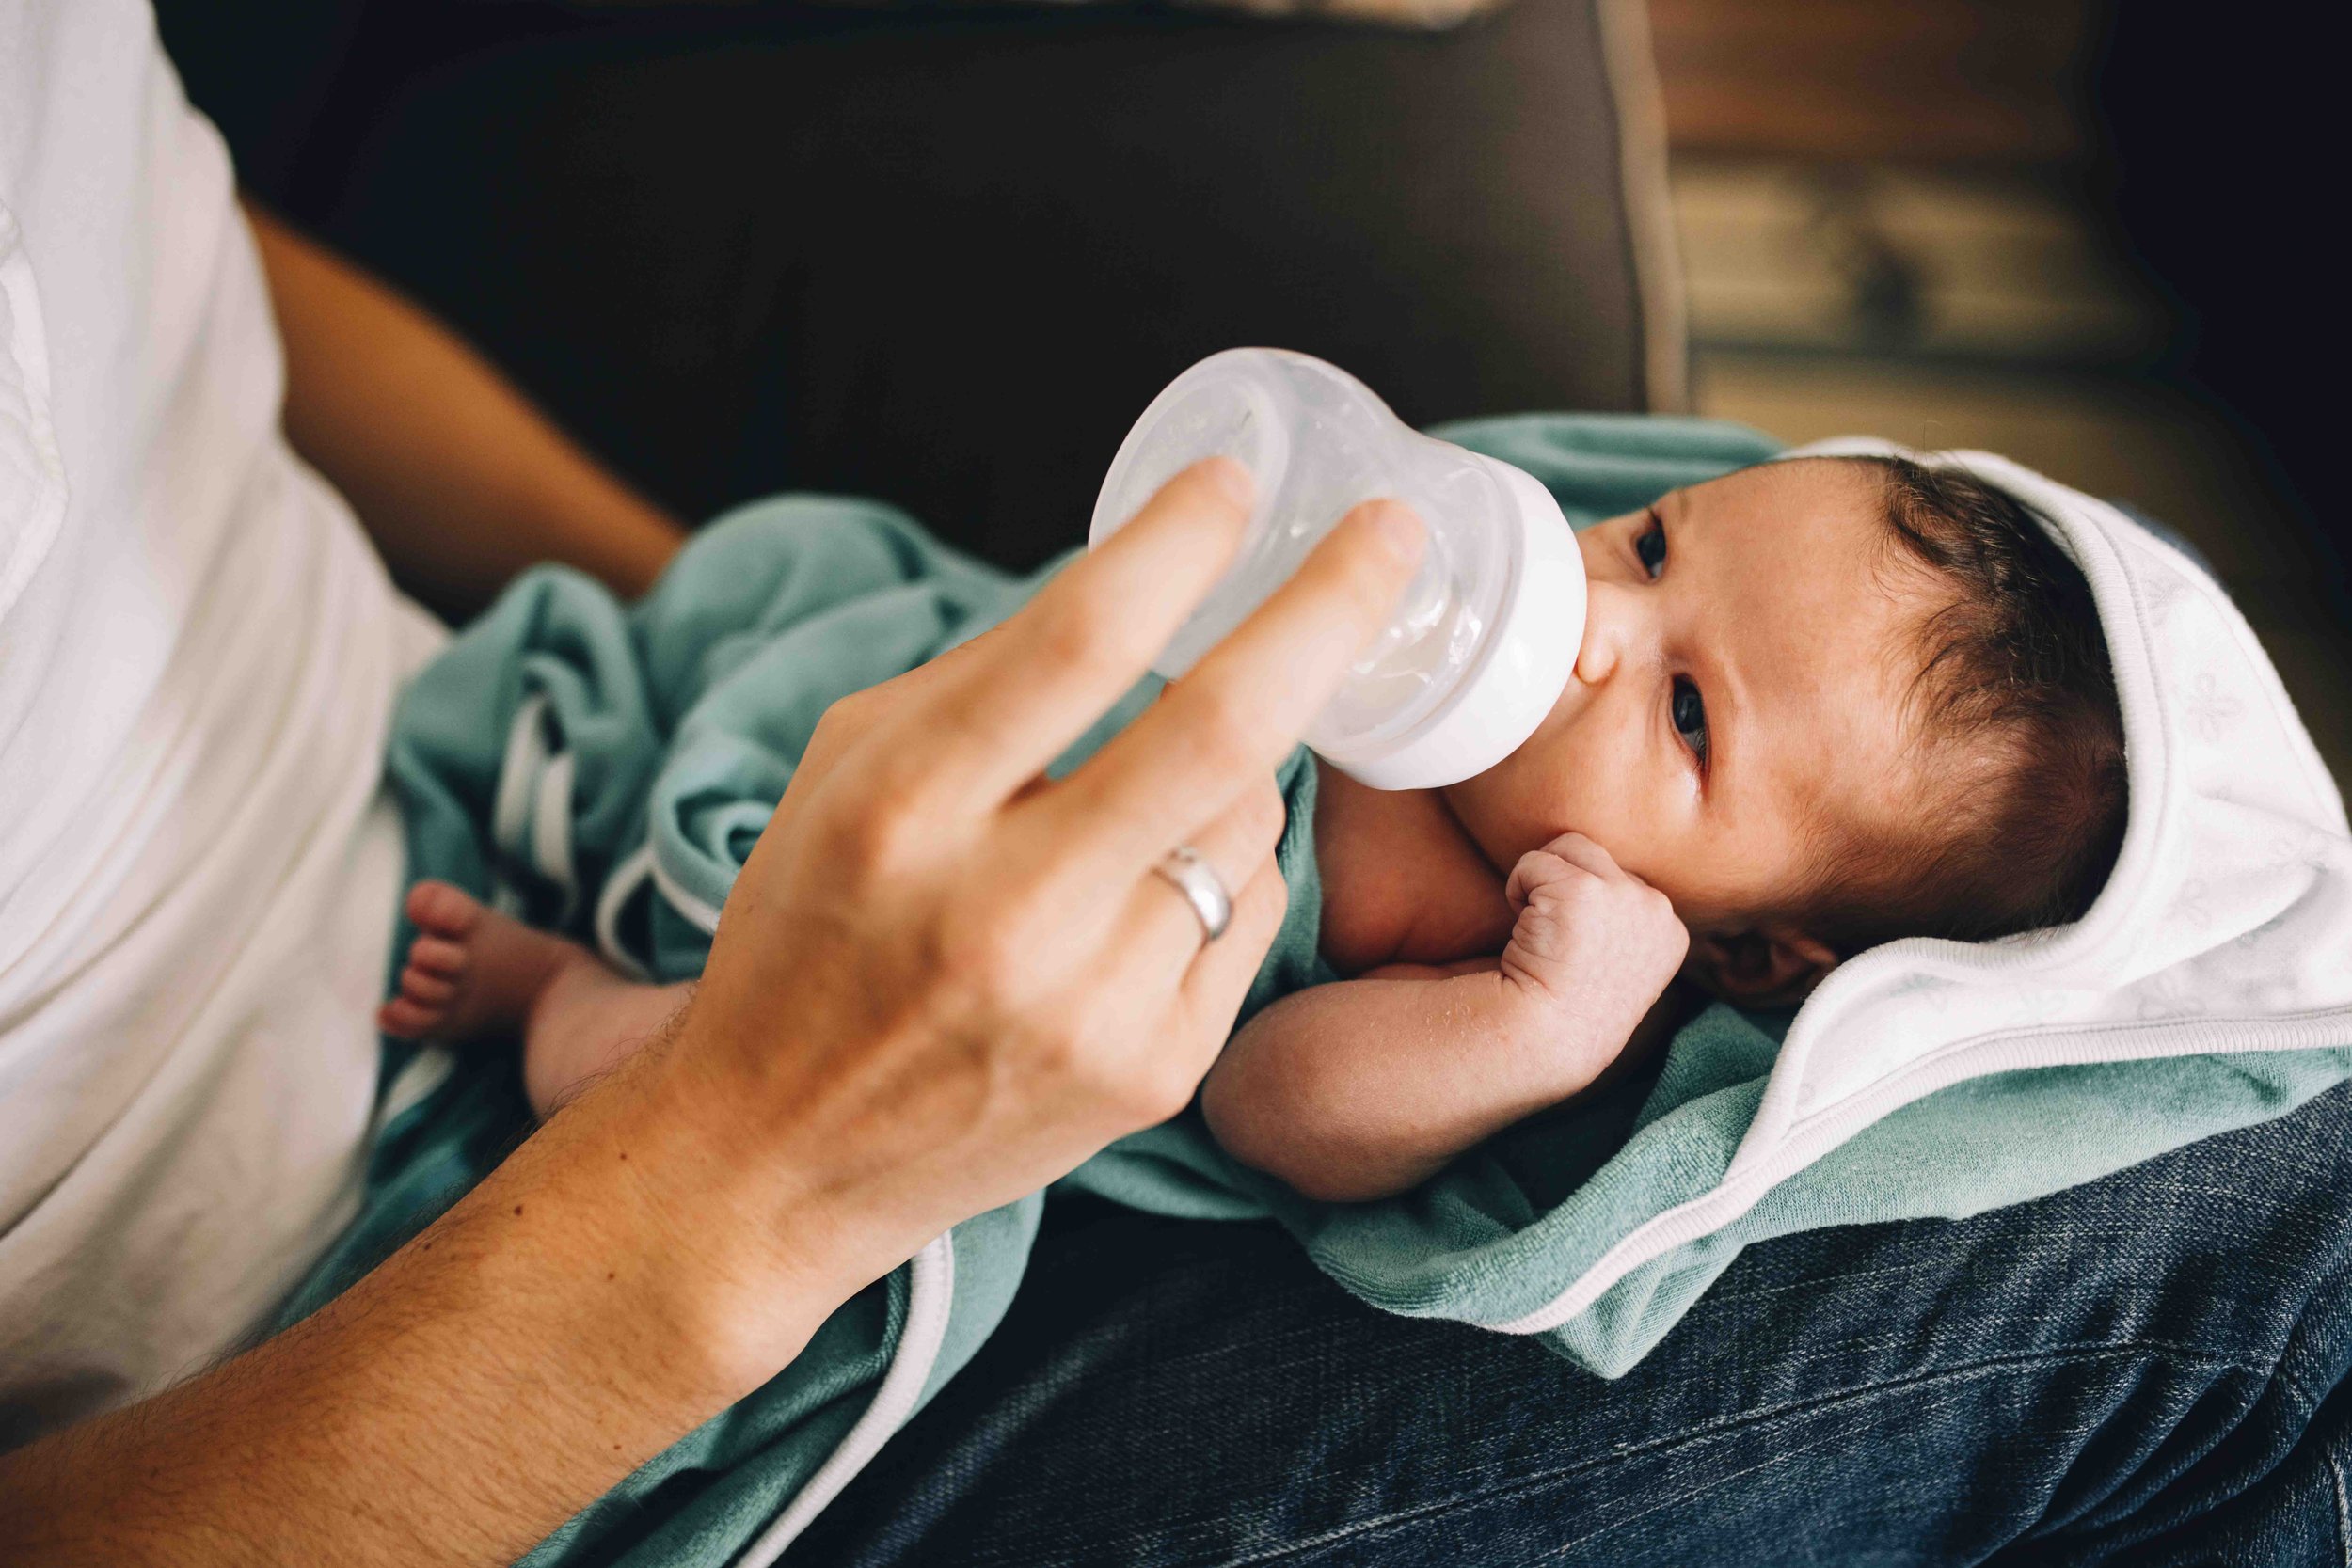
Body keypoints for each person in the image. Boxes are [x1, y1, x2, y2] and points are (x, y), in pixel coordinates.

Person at [377, 455, 2122, 1204]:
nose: (1594, 620)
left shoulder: (1524, 938)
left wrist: (1531, 1027)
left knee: (697, 1071)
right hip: (956, 740)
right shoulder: (1449, 601)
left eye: (1684, 715)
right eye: (1657, 543)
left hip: (971, 998)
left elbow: (1270, 1104)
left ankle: (547, 997)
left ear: (1741, 942)